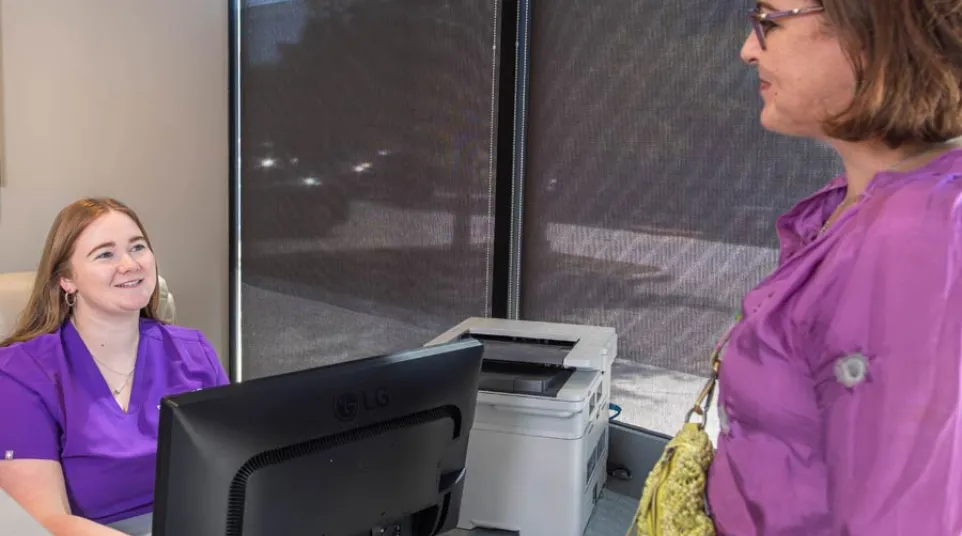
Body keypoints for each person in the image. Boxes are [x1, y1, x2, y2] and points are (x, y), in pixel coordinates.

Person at [705, 1, 962, 534]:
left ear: (874, 32)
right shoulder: (849, 201)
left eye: (769, 22)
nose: (748, 50)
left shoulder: (913, 241)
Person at [0, 198, 229, 535]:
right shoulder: (22, 373)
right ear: (67, 280)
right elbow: (44, 522)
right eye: (105, 254)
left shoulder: (193, 351)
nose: (129, 264)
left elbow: (232, 470)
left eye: (137, 247)